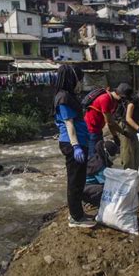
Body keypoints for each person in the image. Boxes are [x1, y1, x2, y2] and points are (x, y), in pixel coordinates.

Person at [54, 64, 96, 228]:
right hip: (73, 144)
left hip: (78, 142)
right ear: (73, 79)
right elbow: (68, 123)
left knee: (79, 180)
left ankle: (79, 213)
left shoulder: (68, 96)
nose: (81, 83)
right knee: (74, 181)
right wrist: (76, 146)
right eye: (80, 79)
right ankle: (75, 218)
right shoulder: (63, 97)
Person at [84, 83, 133, 158]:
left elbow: (110, 121)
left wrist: (115, 136)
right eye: (123, 98)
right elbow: (110, 122)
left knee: (99, 153)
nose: (123, 101)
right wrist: (123, 132)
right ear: (118, 94)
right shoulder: (105, 99)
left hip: (98, 129)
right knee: (93, 157)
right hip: (91, 130)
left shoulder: (114, 101)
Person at [83, 140, 119, 207]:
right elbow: (106, 183)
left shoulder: (97, 157)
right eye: (113, 154)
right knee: (107, 190)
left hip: (87, 186)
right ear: (107, 154)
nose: (115, 156)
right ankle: (92, 201)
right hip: (84, 188)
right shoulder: (99, 165)